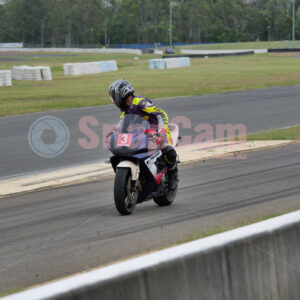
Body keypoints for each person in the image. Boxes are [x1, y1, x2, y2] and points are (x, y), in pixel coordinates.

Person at [108, 79, 178, 190]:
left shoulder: (140, 102)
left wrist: (161, 131)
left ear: (121, 95)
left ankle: (173, 172)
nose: (114, 100)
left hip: (157, 124)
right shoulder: (125, 109)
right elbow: (122, 124)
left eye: (114, 97)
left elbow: (159, 114)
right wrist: (114, 133)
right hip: (143, 131)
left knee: (164, 146)